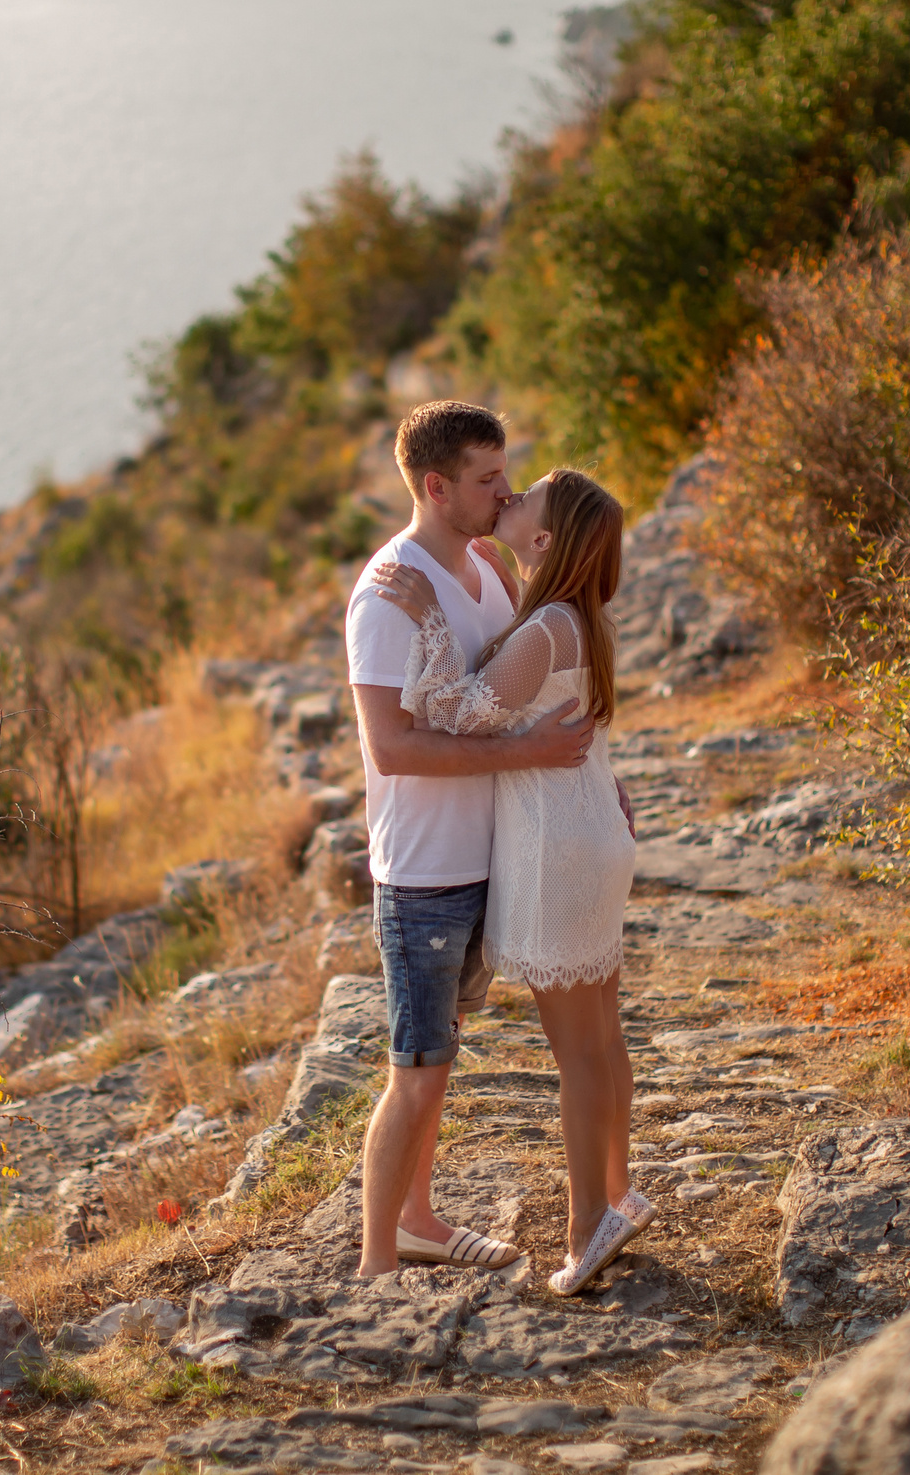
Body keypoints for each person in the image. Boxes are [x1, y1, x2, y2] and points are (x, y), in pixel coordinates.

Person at [368, 467, 650, 1295]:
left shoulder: (545, 630)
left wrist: (422, 615)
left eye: (522, 499)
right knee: (603, 1035)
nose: (508, 496)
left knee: (577, 1055)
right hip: (594, 832)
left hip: (561, 846)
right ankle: (619, 1193)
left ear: (543, 540)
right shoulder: (582, 620)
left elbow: (455, 713)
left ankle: (584, 1229)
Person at [346, 402, 595, 1279]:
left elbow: (516, 686)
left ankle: (418, 1220)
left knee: (440, 1060)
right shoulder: (389, 590)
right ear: (436, 486)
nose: (508, 490)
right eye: (488, 479)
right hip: (422, 874)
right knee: (413, 1069)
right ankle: (377, 1268)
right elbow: (393, 747)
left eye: (507, 473)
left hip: (482, 861)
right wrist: (527, 751)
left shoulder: (485, 570)